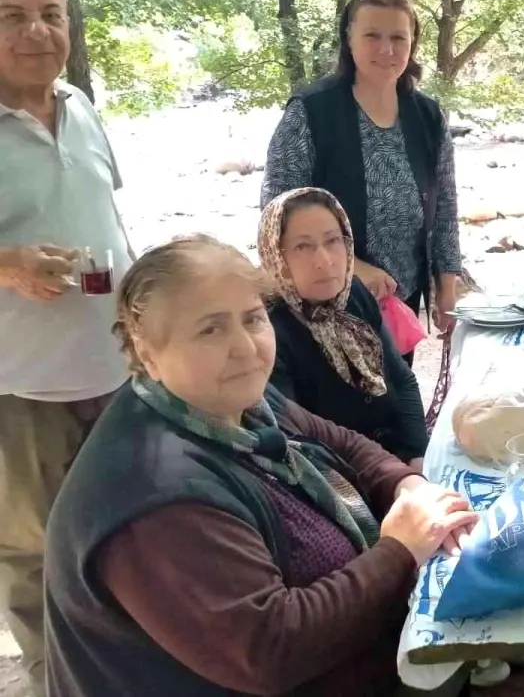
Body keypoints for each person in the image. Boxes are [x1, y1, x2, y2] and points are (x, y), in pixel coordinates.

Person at [44, 235, 477, 696]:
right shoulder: (155, 497)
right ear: (147, 351)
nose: (246, 348)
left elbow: (345, 444)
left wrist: (410, 485)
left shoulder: (230, 400)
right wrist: (398, 551)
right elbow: (271, 650)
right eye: (210, 329)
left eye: (252, 319)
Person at [0, 0, 134, 697]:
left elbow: (107, 221)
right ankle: (59, 683)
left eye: (51, 14)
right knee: (31, 555)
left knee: (120, 533)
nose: (36, 31)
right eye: (11, 16)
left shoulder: (80, 106)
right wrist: (6, 263)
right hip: (20, 390)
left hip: (112, 375)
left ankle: (123, 667)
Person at [262, 0, 462, 347]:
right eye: (372, 36)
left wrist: (446, 285)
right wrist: (353, 267)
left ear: (412, 45)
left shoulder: (428, 117)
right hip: (327, 301)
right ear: (348, 40)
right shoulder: (311, 113)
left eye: (398, 38)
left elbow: (445, 207)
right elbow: (277, 214)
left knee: (395, 395)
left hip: (401, 300)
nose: (386, 49)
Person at [259, 187, 429, 469]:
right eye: (303, 246)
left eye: (333, 240)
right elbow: (296, 442)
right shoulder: (269, 331)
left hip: (398, 460)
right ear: (276, 256)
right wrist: (392, 480)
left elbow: (401, 379)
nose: (325, 260)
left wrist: (417, 455)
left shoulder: (354, 295)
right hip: (344, 480)